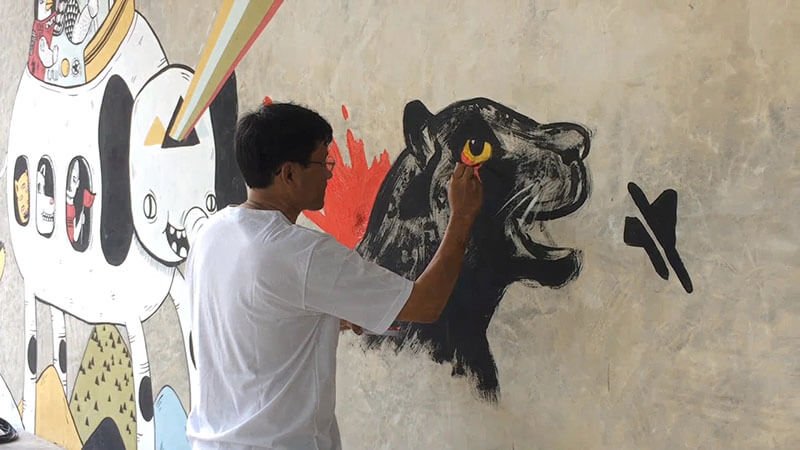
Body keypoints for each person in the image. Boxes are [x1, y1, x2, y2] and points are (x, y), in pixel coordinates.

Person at [186, 102, 483, 450]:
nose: (329, 173)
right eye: (323, 162)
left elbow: (256, 314)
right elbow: (426, 303)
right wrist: (461, 217)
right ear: (289, 174)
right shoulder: (304, 254)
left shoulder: (212, 234)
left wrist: (328, 315)